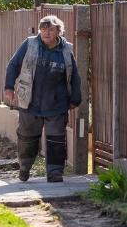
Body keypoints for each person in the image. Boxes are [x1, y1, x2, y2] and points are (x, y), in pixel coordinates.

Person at [4, 15, 81, 183]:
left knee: (56, 140)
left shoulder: (66, 49)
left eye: (50, 29)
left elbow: (74, 75)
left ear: (58, 31)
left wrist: (75, 98)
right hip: (30, 101)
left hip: (57, 103)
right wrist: (9, 87)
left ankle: (55, 172)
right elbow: (13, 64)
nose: (46, 32)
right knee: (27, 138)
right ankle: (24, 168)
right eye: (43, 29)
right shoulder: (30, 44)